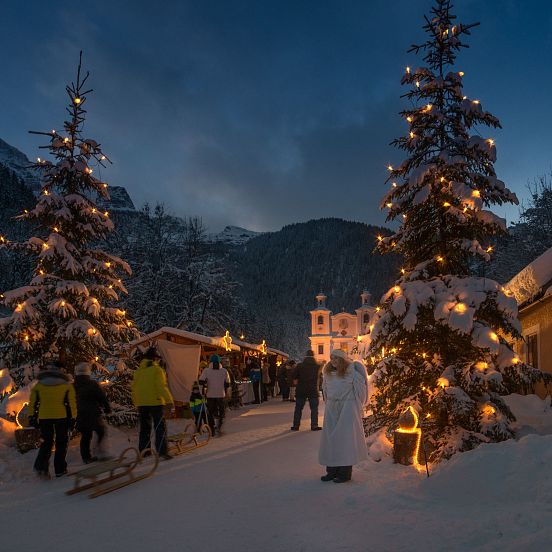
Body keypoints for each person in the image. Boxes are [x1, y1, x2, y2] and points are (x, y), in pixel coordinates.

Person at [319, 349, 369, 483]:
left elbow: (361, 393)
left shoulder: (352, 374)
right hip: (332, 409)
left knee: (345, 441)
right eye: (332, 358)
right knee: (331, 440)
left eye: (336, 358)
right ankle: (331, 471)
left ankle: (344, 473)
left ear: (343, 359)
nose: (333, 361)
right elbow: (326, 392)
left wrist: (356, 407)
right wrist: (330, 404)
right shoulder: (327, 374)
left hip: (347, 409)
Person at [29, 360, 77, 478]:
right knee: (62, 442)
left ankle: (41, 466)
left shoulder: (39, 385)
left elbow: (33, 402)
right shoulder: (66, 385)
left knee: (47, 442)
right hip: (62, 417)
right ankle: (60, 469)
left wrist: (32, 416)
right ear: (61, 370)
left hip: (44, 417)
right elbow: (71, 403)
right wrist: (73, 418)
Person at [132, 347, 174, 459]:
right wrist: (169, 401)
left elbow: (134, 388)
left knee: (145, 428)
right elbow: (161, 387)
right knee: (160, 427)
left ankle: (144, 451)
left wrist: (136, 402)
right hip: (155, 402)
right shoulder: (157, 370)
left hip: (142, 403)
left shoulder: (138, 371)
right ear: (155, 359)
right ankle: (162, 451)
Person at [74, 362, 111, 464]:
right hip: (92, 413)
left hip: (79, 414)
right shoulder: (92, 384)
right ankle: (100, 452)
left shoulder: (74, 385)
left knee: (86, 435)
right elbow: (101, 397)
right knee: (101, 431)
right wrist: (107, 407)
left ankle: (86, 457)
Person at [199, 354, 230, 435]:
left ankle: (212, 430)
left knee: (210, 413)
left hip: (210, 395)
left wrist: (203, 390)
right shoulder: (224, 371)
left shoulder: (206, 371)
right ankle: (219, 427)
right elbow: (228, 383)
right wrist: (226, 392)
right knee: (221, 412)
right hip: (221, 394)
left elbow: (201, 381)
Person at [291, 350, 322, 431]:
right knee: (314, 409)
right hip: (313, 390)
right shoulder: (317, 366)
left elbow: (294, 379)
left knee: (298, 408)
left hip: (301, 390)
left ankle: (296, 426)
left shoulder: (299, 366)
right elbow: (320, 378)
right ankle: (314, 425)